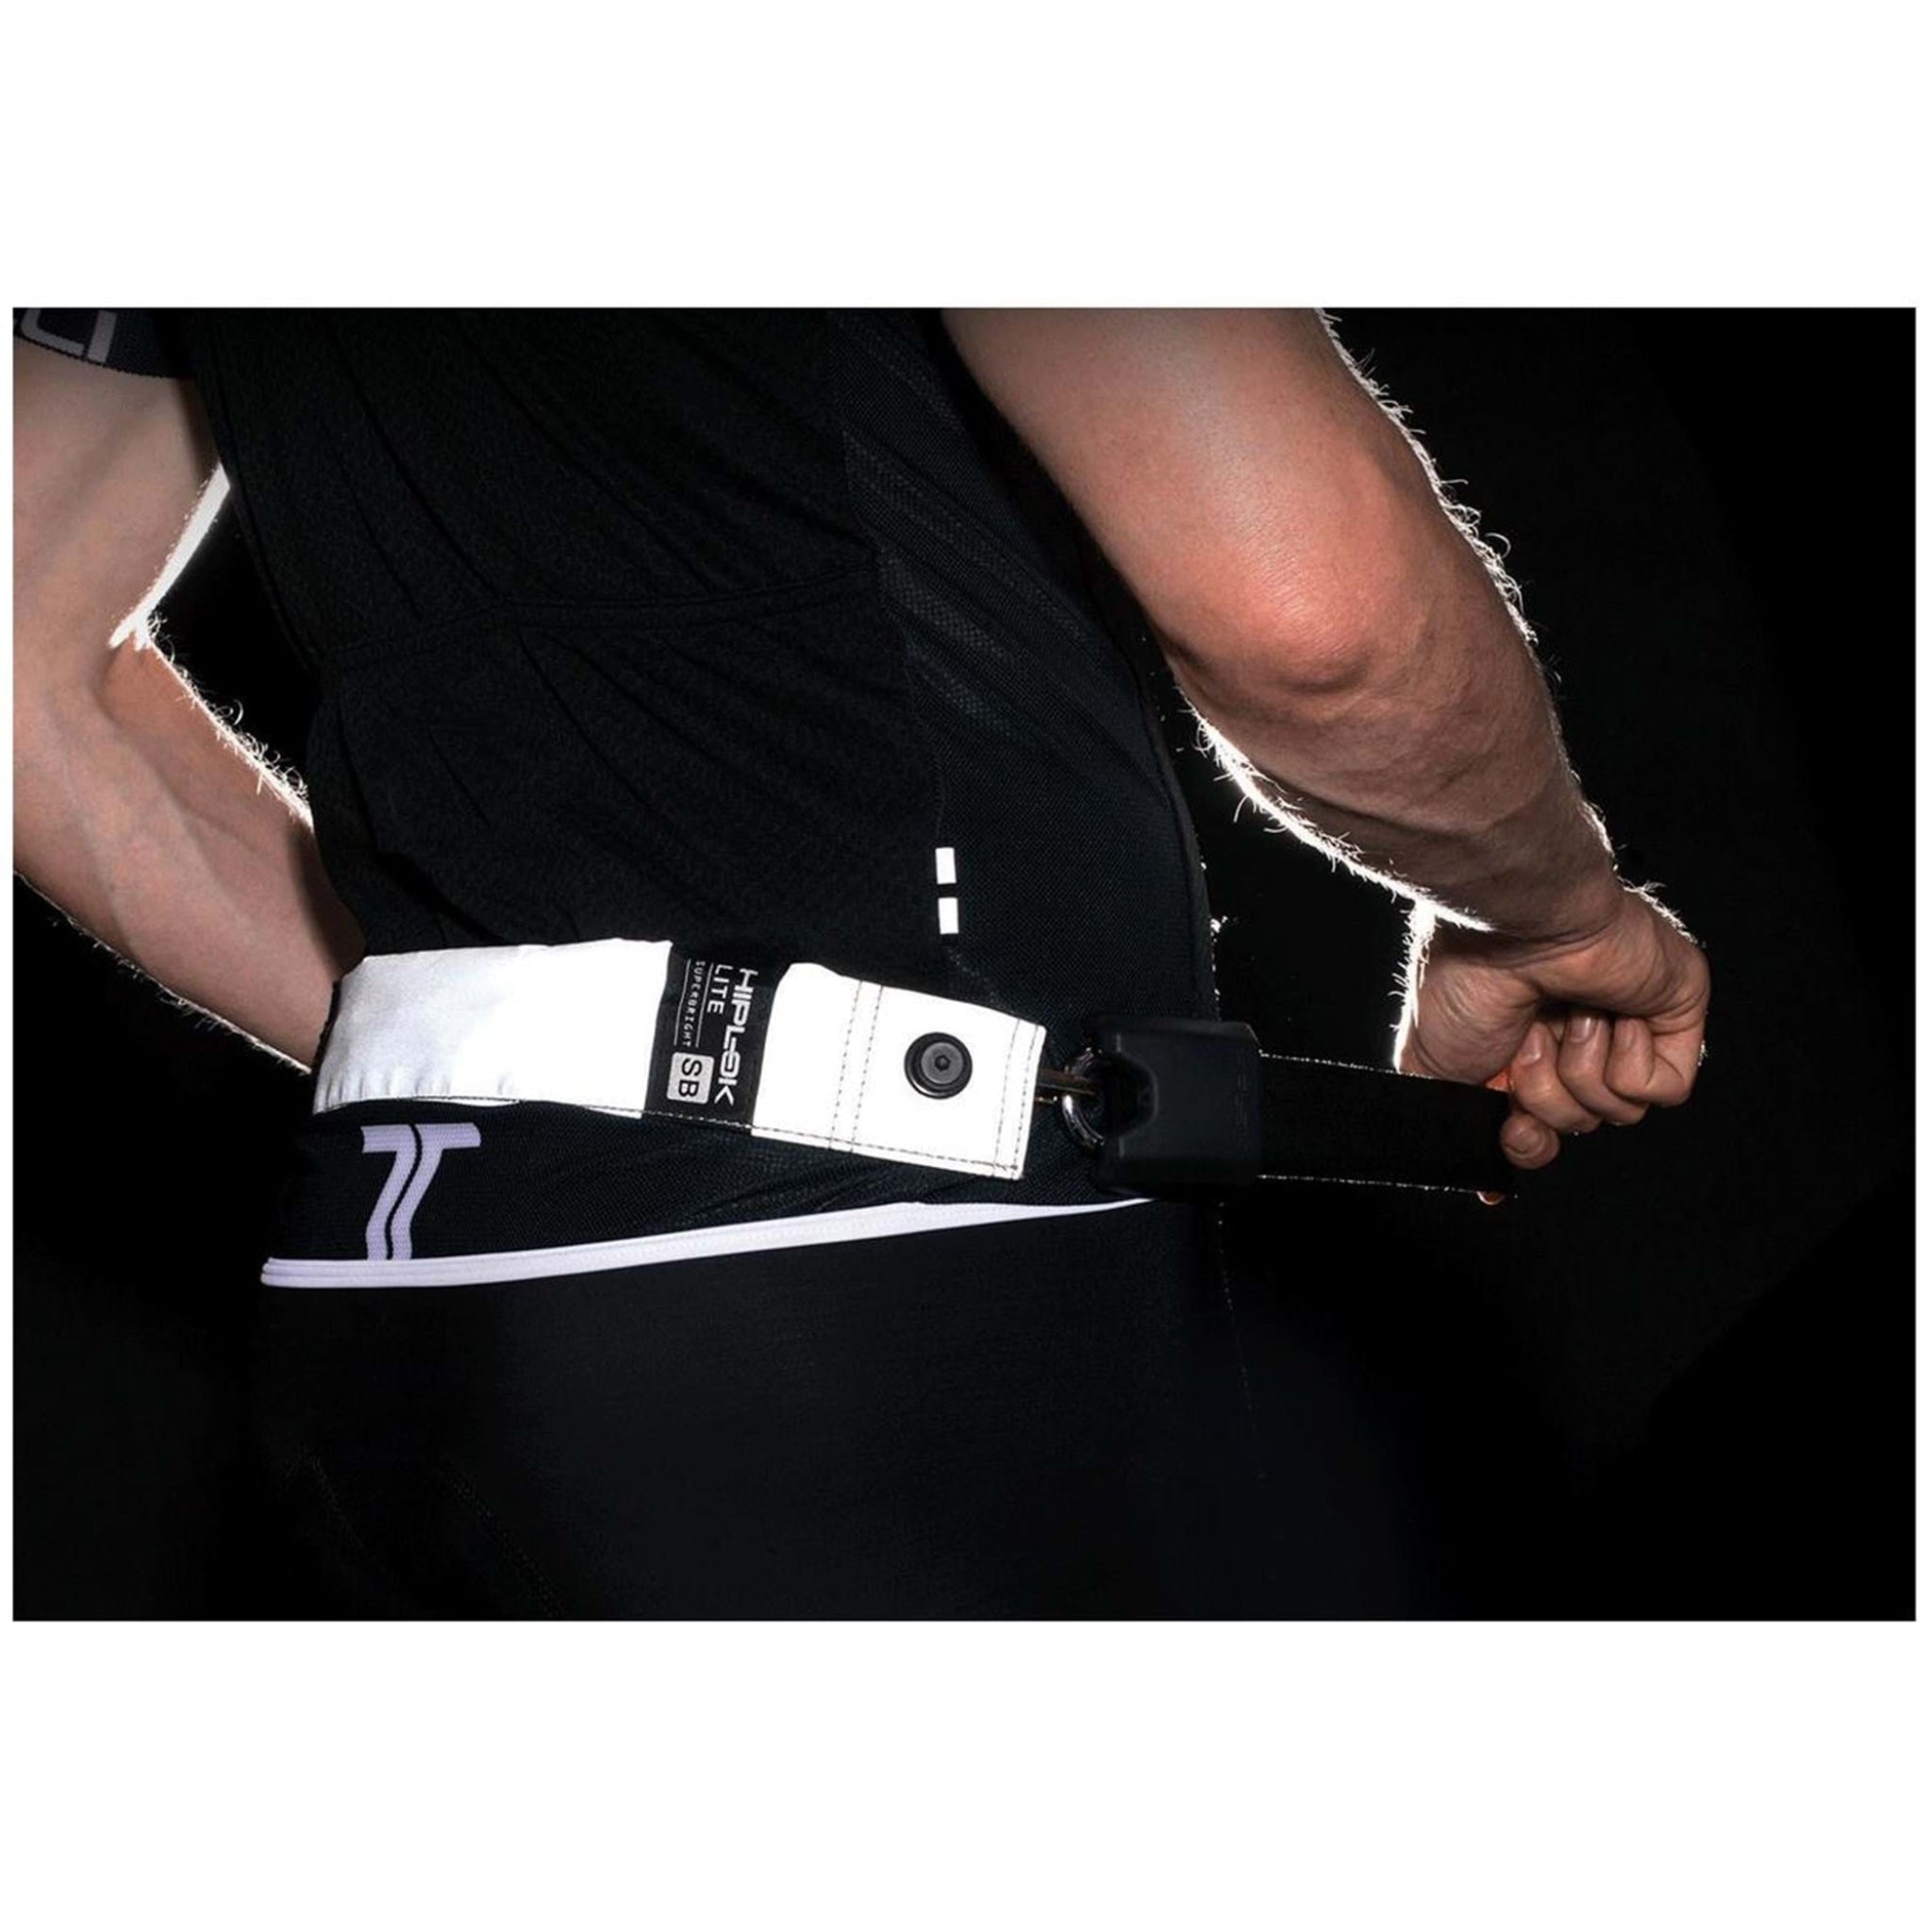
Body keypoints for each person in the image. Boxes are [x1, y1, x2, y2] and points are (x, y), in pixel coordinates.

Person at [12, 308, 1707, 1616]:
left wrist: (527, 1053)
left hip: (382, 1316)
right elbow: (1319, 625)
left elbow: (27, 678)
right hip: (857, 1316)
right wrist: (1558, 912)